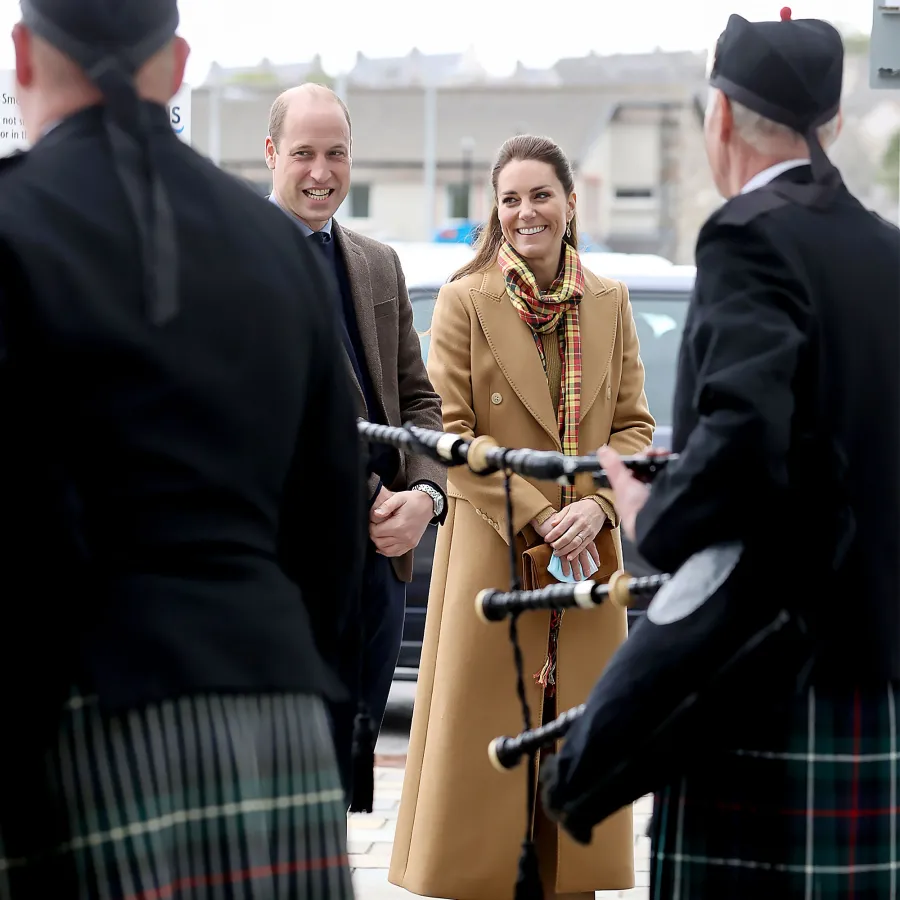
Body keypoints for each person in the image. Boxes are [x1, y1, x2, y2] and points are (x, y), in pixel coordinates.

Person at [0, 1, 365, 897]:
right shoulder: (274, 247)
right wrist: (306, 680)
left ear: (21, 55)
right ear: (177, 62)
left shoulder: (11, 223)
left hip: (82, 714)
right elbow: (332, 510)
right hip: (277, 704)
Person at [583, 9, 900, 898]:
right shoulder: (888, 251)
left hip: (762, 674)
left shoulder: (746, 235)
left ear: (719, 118)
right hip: (874, 672)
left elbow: (745, 441)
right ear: (831, 124)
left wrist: (658, 513)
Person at [390, 134, 655, 900]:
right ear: (495, 211)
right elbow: (450, 431)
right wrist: (544, 514)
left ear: (571, 204)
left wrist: (597, 509)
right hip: (497, 557)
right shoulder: (463, 299)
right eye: (510, 198)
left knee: (574, 774)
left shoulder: (611, 301)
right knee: (483, 786)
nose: (525, 211)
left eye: (541, 195)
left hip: (585, 563)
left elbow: (635, 427)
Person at [264, 83, 447, 797]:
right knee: (285, 789)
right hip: (294, 567)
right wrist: (373, 492)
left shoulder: (377, 263)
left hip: (383, 570)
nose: (321, 170)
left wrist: (426, 496)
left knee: (345, 786)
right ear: (272, 153)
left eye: (335, 153)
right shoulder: (238, 260)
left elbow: (422, 401)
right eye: (304, 153)